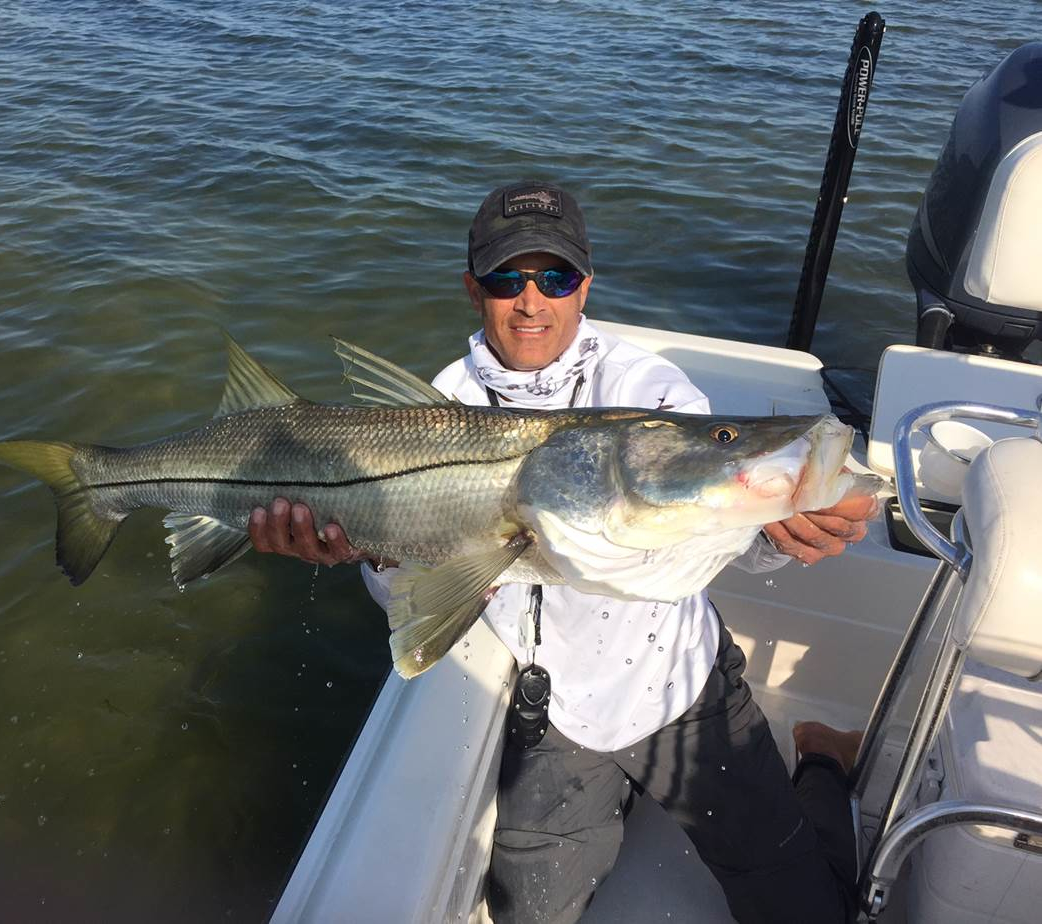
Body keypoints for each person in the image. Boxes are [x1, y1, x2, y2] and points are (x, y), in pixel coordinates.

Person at [248, 181, 877, 924]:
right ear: (472, 289)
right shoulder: (438, 405)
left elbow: (690, 539)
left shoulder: (645, 390)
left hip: (680, 685)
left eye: (555, 277)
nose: (531, 301)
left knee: (808, 910)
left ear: (585, 285)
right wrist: (373, 556)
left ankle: (821, 762)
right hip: (556, 709)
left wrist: (776, 527)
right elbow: (420, 585)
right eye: (505, 278)